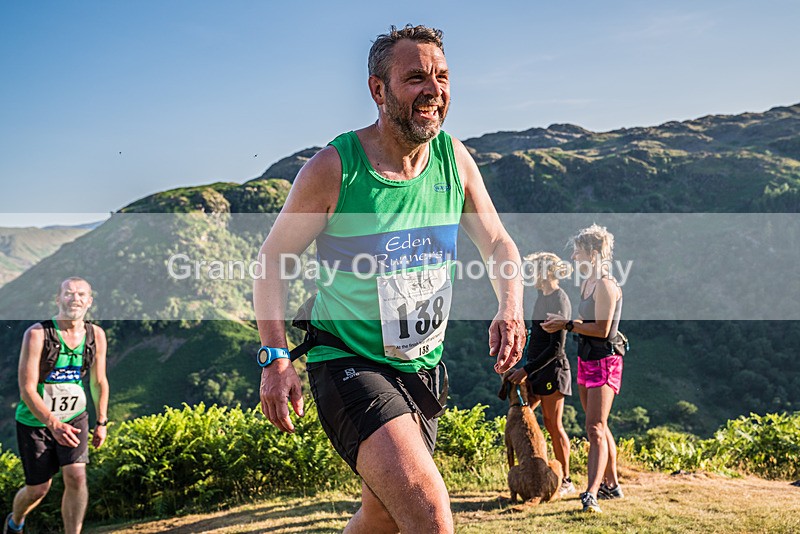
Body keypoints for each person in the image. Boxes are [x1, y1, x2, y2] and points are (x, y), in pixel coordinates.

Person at [253, 24, 526, 533]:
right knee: (430, 516)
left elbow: (497, 243)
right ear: (378, 90)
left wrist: (510, 306)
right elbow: (272, 261)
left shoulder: (454, 158)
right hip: (349, 361)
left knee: (383, 516)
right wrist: (275, 357)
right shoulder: (335, 169)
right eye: (416, 77)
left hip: (420, 367)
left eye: (442, 77)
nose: (435, 90)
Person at [5, 277, 109, 534]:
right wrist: (53, 424)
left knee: (76, 476)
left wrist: (101, 421)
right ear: (58, 299)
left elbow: (98, 382)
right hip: (36, 421)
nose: (75, 299)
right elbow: (27, 388)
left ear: (90, 301)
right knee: (38, 489)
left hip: (74, 417)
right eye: (69, 294)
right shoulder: (37, 334)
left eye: (81, 295)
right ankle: (14, 522)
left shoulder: (96, 335)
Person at [543, 224, 624, 514]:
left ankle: (591, 493)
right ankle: (612, 485)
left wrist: (567, 324)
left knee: (594, 428)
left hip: (605, 360)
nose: (574, 258)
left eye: (578, 252)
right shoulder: (587, 284)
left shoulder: (605, 285)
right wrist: (561, 321)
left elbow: (602, 330)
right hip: (586, 359)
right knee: (599, 426)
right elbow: (581, 320)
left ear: (592, 253)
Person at [507, 252, 575, 496]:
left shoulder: (560, 300)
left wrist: (526, 368)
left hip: (553, 372)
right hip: (535, 371)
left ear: (545, 272)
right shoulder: (541, 296)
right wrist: (523, 362)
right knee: (524, 419)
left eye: (533, 270)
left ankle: (565, 479)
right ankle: (533, 474)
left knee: (552, 424)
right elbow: (537, 338)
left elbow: (556, 348)